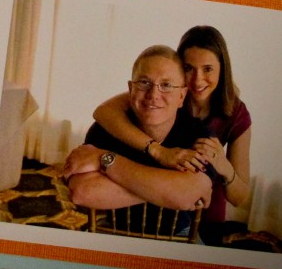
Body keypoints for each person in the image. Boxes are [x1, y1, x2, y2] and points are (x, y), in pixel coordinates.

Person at [91, 26, 251, 245]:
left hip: (205, 210)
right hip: (152, 212)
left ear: (223, 70)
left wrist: (223, 166)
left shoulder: (235, 113)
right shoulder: (161, 98)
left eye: (208, 69)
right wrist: (157, 152)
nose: (197, 79)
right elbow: (103, 112)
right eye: (188, 68)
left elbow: (240, 197)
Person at [63, 45, 214, 224]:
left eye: (166, 85)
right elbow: (83, 192)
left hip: (178, 238)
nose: (153, 94)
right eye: (144, 83)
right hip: (112, 234)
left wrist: (105, 159)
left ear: (182, 96)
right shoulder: (105, 128)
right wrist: (170, 191)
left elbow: (194, 191)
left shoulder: (199, 135)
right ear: (130, 88)